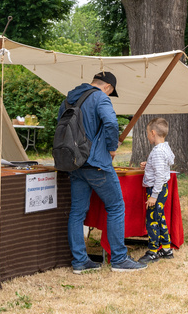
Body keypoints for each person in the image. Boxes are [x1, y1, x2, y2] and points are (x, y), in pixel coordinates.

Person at [60, 71, 145, 273]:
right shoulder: (100, 97)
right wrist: (112, 146)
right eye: (111, 91)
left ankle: (80, 261)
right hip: (96, 163)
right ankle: (119, 259)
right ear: (107, 87)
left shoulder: (68, 99)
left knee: (77, 212)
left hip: (74, 163)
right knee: (116, 206)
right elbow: (111, 123)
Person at [137, 117, 176, 264]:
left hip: (156, 190)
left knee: (152, 220)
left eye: (147, 133)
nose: (147, 135)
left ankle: (153, 251)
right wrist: (149, 164)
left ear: (153, 133)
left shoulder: (158, 151)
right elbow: (164, 165)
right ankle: (166, 248)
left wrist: (153, 196)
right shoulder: (165, 148)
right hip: (161, 189)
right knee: (160, 218)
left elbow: (160, 175)